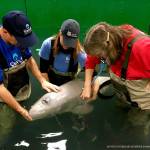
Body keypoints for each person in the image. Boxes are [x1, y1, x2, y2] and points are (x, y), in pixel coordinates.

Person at [0, 10, 60, 121]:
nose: (22, 43)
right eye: (20, 40)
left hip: (21, 89)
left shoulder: (19, 39)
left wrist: (42, 81)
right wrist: (20, 109)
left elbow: (29, 59)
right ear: (5, 32)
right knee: (6, 129)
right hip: (2, 97)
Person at [80, 21, 150, 110]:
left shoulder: (142, 48)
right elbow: (91, 60)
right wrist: (87, 85)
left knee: (136, 122)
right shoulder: (107, 38)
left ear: (108, 47)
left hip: (142, 102)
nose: (98, 58)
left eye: (100, 56)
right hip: (123, 94)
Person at [39, 19, 87, 86]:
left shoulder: (80, 52)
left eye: (70, 42)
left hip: (69, 84)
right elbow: (43, 70)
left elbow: (91, 72)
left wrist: (87, 85)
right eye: (66, 40)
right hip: (50, 80)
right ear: (60, 33)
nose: (66, 46)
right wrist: (50, 90)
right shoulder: (48, 44)